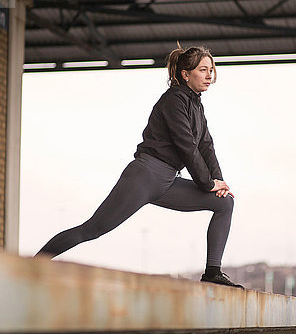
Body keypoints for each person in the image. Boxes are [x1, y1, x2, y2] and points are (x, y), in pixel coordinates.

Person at [35, 44, 242, 288]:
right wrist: (207, 183)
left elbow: (206, 145)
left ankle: (212, 271)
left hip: (167, 182)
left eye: (211, 70)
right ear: (186, 74)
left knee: (224, 202)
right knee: (92, 230)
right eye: (203, 70)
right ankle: (33, 264)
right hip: (144, 176)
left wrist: (219, 183)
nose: (210, 75)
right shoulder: (173, 100)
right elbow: (187, 146)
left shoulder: (196, 104)